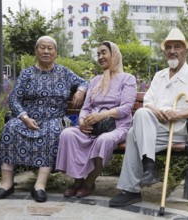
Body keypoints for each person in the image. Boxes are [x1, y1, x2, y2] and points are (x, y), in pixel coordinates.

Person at [109, 28, 188, 207]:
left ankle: (132, 189)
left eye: (177, 47)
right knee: (139, 122)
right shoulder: (159, 76)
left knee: (133, 134)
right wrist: (157, 111)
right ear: (164, 52)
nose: (172, 50)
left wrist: (178, 114)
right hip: (154, 129)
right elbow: (148, 101)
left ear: (186, 51)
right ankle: (149, 167)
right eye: (168, 47)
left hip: (179, 130)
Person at [0, 36, 89, 202]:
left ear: (56, 53)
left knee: (53, 132)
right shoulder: (27, 73)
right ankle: (7, 184)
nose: (46, 51)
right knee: (10, 128)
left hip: (53, 119)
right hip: (28, 118)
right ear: (36, 51)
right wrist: (24, 117)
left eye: (50, 48)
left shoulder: (64, 72)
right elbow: (14, 99)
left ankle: (40, 185)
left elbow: (85, 82)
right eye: (42, 48)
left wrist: (80, 90)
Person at [55, 41, 137, 198]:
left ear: (114, 55)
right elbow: (86, 108)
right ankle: (78, 180)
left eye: (104, 52)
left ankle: (89, 182)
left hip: (117, 126)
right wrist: (81, 121)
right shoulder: (95, 81)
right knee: (68, 134)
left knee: (103, 140)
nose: (100, 57)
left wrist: (104, 115)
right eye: (98, 53)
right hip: (91, 125)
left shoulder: (127, 79)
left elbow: (126, 108)